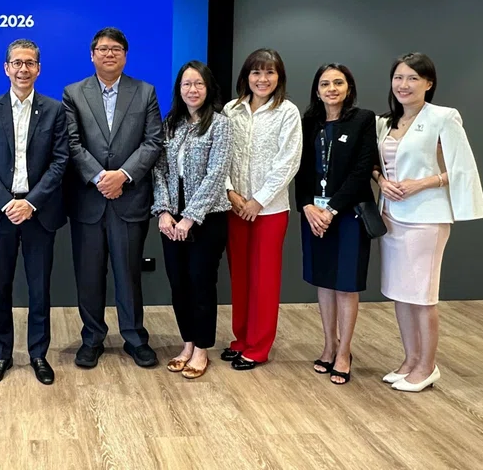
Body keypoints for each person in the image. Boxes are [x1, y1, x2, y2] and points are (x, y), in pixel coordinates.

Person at [374, 53, 483, 392]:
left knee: (422, 294)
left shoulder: (443, 117)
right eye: (398, 77)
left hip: (426, 217)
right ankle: (409, 359)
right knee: (400, 292)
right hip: (390, 216)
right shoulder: (384, 122)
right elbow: (374, 164)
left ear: (428, 83)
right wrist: (381, 180)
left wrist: (421, 183)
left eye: (412, 78)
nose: (403, 85)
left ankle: (427, 366)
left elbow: (462, 168)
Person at [62, 27, 163, 369]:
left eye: (116, 49)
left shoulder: (145, 92)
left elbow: (153, 142)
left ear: (125, 55)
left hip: (129, 198)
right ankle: (92, 338)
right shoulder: (73, 93)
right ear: (92, 55)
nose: (109, 54)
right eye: (102, 49)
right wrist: (100, 177)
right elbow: (72, 143)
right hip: (88, 201)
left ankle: (135, 337)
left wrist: (123, 175)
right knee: (89, 276)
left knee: (128, 274)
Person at [0, 39, 69, 386]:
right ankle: (2, 355)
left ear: (38, 69)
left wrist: (30, 203)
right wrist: (6, 202)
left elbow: (60, 162)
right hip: (1, 212)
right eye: (17, 62)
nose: (23, 69)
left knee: (39, 287)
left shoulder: (55, 110)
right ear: (6, 68)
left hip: (38, 212)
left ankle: (38, 353)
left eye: (30, 63)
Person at [294, 64, 377, 386]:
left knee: (346, 284)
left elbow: (361, 170)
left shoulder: (363, 120)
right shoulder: (309, 123)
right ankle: (328, 345)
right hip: (314, 214)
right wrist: (308, 207)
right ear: (317, 90)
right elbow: (299, 170)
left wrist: (331, 211)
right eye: (325, 83)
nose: (332, 88)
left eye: (338, 83)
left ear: (348, 87)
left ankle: (345, 351)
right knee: (324, 282)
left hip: (347, 215)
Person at [151, 61, 231, 379]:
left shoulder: (220, 124)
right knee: (178, 283)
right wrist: (165, 212)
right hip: (172, 216)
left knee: (201, 282)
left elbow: (216, 174)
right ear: (179, 89)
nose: (192, 90)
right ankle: (186, 343)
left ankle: (201, 348)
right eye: (186, 84)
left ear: (208, 87)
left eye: (198, 84)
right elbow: (159, 169)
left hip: (207, 218)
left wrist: (190, 219)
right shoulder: (171, 123)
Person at [223, 48, 302, 370]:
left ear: (279, 77)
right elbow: (222, 153)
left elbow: (289, 162)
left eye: (269, 73)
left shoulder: (287, 112)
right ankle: (240, 338)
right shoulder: (231, 109)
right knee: (239, 277)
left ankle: (258, 346)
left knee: (264, 279)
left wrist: (259, 200)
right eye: (256, 72)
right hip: (235, 206)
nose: (263, 79)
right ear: (246, 76)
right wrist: (230, 191)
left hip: (269, 210)